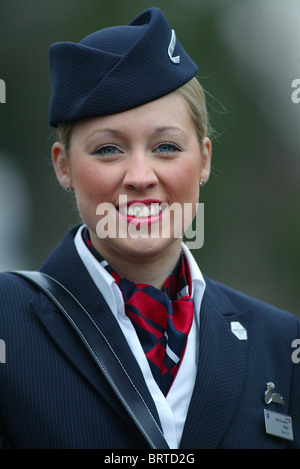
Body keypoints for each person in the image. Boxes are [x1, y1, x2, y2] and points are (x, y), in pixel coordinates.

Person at [0, 7, 299, 450]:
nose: (140, 176)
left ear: (204, 159)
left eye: (165, 146)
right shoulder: (8, 323)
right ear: (63, 166)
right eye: (107, 149)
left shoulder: (281, 344)